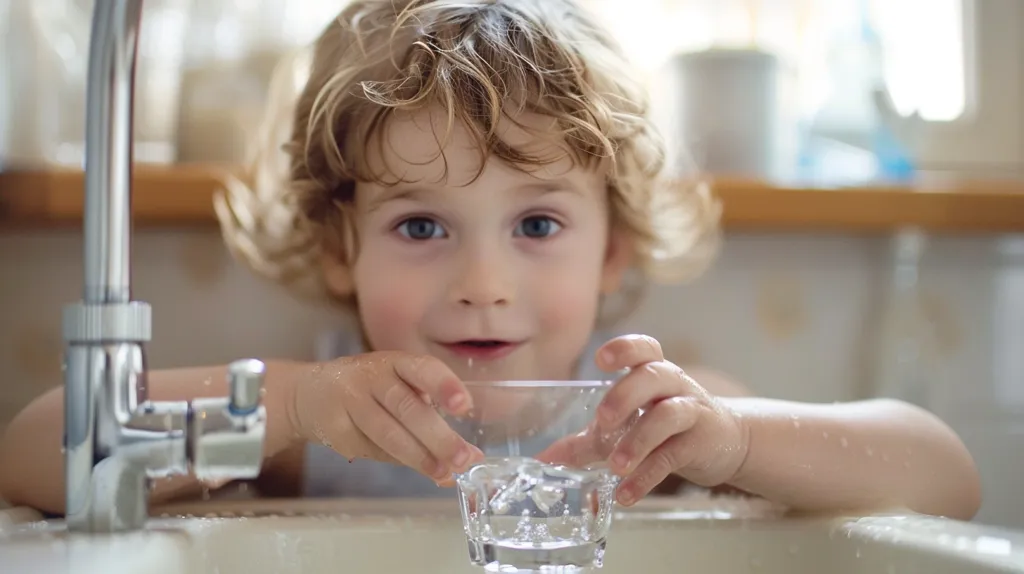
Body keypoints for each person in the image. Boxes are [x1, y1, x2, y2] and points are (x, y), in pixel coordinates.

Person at [0, 0, 980, 520]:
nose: (482, 281)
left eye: (537, 226)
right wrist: (292, 404)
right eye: (421, 227)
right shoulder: (312, 424)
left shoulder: (645, 421)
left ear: (615, 250)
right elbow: (40, 450)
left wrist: (731, 441)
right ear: (343, 247)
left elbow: (945, 475)